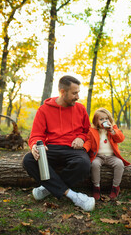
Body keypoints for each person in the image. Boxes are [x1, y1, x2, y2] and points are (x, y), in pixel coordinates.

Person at [23, 75, 95, 211]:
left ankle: (47, 189)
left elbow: (87, 131)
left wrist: (81, 137)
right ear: (63, 92)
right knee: (28, 160)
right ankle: (74, 196)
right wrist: (34, 146)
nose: (78, 96)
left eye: (78, 92)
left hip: (73, 149)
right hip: (51, 149)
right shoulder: (44, 110)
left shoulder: (80, 109)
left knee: (84, 164)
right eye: (74, 93)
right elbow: (36, 134)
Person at [83, 108, 130, 200]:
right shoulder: (92, 131)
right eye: (101, 119)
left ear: (110, 120)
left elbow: (120, 139)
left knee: (119, 164)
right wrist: (84, 149)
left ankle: (115, 187)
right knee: (95, 164)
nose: (104, 121)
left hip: (111, 156)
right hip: (98, 156)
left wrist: (112, 131)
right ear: (96, 122)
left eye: (106, 119)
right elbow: (88, 142)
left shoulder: (113, 129)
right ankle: (96, 186)